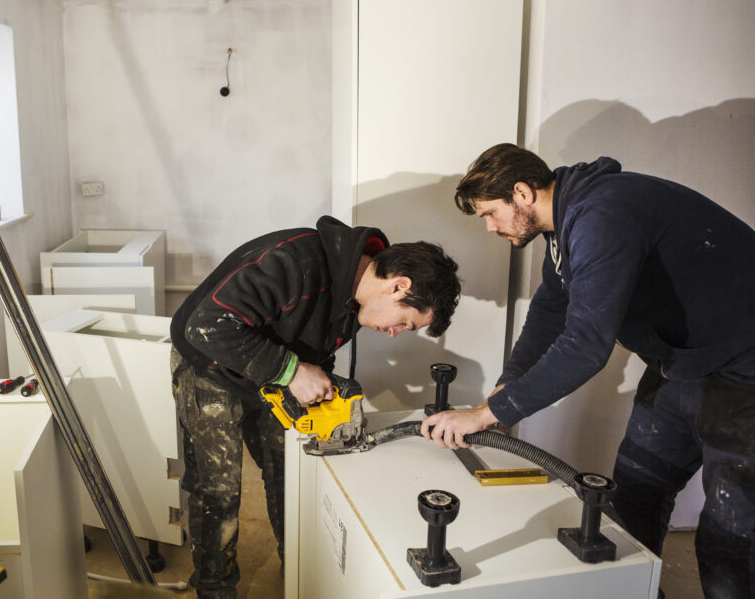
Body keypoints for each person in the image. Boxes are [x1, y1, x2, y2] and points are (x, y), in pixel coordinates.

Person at [421, 143, 755, 597]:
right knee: (633, 500)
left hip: (744, 369)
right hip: (682, 365)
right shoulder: (565, 224)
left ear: (521, 193)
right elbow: (550, 312)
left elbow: (585, 346)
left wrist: (486, 414)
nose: (490, 227)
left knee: (730, 537)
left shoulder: (602, 213)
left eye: (489, 213)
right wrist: (507, 386)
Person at [170, 215, 460, 598]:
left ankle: (298, 570)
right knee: (218, 490)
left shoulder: (356, 297)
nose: (394, 333)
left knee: (288, 473)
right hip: (209, 365)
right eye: (405, 323)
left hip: (271, 370)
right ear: (398, 285)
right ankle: (215, 589)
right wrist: (291, 371)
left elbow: (314, 345)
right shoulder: (294, 263)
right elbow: (207, 326)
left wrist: (328, 398)